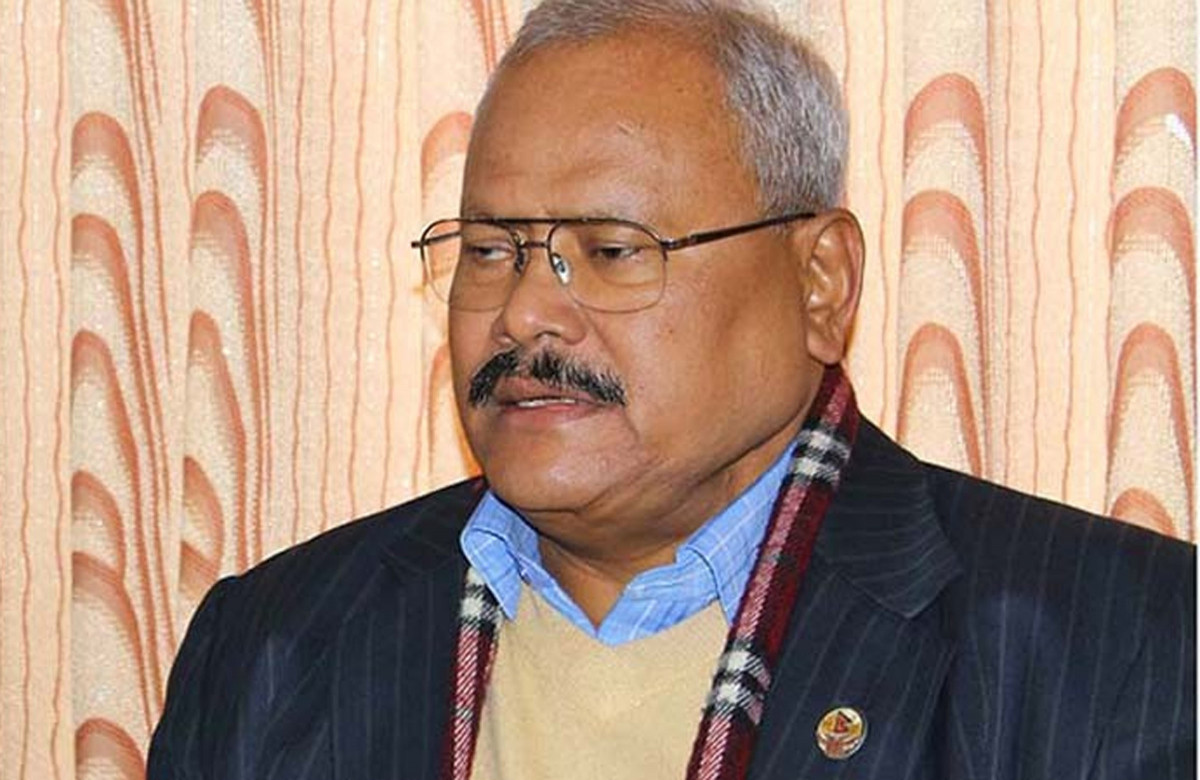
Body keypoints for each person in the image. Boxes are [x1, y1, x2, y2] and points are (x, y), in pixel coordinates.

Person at [146, 1, 1195, 778]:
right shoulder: (275, 643)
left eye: (611, 250)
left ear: (820, 282)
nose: (524, 313)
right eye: (491, 250)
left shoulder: (1122, 647)